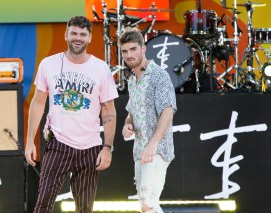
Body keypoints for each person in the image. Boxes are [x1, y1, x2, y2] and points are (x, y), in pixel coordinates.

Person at [25, 16, 118, 213]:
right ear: (66, 35)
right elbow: (38, 102)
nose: (78, 38)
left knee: (85, 208)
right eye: (74, 33)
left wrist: (107, 147)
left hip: (90, 147)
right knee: (43, 204)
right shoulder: (48, 64)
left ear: (90, 38)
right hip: (58, 143)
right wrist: (30, 141)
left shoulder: (101, 68)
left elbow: (108, 110)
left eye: (83, 34)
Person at [119, 27, 177, 213]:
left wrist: (153, 145)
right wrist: (127, 125)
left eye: (133, 49)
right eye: (125, 51)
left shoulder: (159, 75)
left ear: (143, 49)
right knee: (148, 204)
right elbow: (131, 113)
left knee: (147, 203)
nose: (129, 55)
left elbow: (167, 111)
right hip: (140, 150)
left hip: (156, 149)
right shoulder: (132, 80)